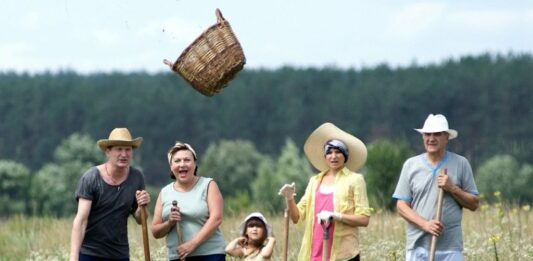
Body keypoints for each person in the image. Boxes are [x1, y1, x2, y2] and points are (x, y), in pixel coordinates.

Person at [278, 122, 372, 261]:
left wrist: (336, 216)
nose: (333, 156)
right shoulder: (314, 181)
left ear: (345, 155)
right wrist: (290, 198)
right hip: (314, 253)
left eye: (338, 151)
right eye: (329, 152)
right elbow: (296, 217)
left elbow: (364, 219)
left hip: (343, 255)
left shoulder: (355, 180)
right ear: (325, 156)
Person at [392, 114, 480, 260]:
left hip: (450, 249)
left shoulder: (461, 163)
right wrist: (425, 224)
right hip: (417, 247)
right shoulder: (411, 165)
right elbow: (401, 205)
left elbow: (474, 204)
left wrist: (452, 188)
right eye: (427, 134)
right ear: (423, 137)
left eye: (437, 134)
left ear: (446, 138)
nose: (431, 138)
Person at [69, 128, 151, 261]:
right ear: (108, 151)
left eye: (128, 150)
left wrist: (143, 205)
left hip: (120, 254)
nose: (124, 154)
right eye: (119, 149)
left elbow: (140, 219)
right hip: (90, 253)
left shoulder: (137, 177)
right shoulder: (91, 178)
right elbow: (81, 220)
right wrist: (73, 257)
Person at [151, 141, 226, 261]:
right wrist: (169, 223)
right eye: (177, 161)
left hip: (210, 255)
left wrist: (192, 244)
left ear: (195, 164)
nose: (182, 164)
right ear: (171, 167)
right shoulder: (164, 192)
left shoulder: (208, 185)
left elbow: (216, 219)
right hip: (178, 256)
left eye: (187, 160)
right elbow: (155, 231)